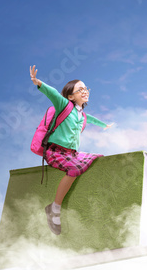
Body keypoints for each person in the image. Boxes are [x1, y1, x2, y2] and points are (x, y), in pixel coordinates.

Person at [29, 65, 114, 235]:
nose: (84, 91)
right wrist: (38, 83)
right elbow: (52, 93)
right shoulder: (64, 105)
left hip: (71, 154)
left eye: (85, 88)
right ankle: (54, 208)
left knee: (98, 157)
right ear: (70, 96)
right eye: (79, 89)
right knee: (74, 169)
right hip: (55, 152)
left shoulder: (81, 115)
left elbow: (91, 119)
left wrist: (104, 125)